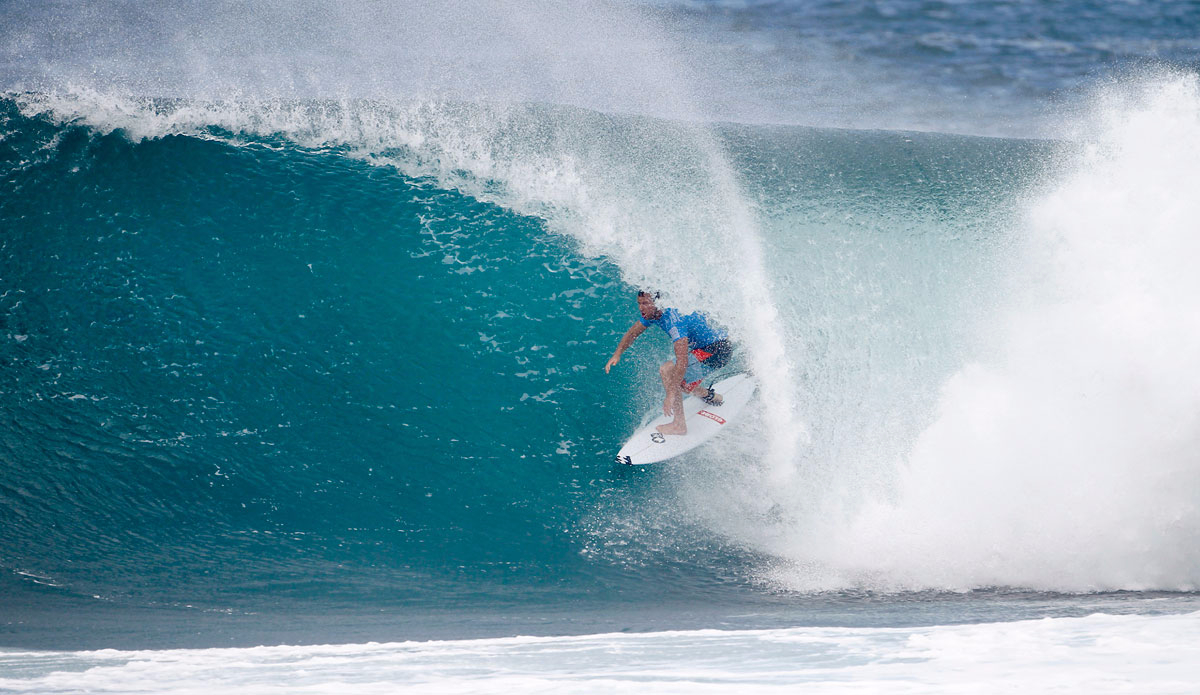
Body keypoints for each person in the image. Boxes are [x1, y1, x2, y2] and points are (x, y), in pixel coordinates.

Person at [604, 290, 733, 435]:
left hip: (717, 350)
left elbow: (682, 362)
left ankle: (679, 425)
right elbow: (632, 333)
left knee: (668, 371)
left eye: (645, 303)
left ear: (657, 303)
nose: (641, 308)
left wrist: (670, 395)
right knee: (681, 383)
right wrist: (617, 353)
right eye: (639, 303)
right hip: (709, 347)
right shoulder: (652, 314)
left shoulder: (674, 323)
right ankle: (712, 397)